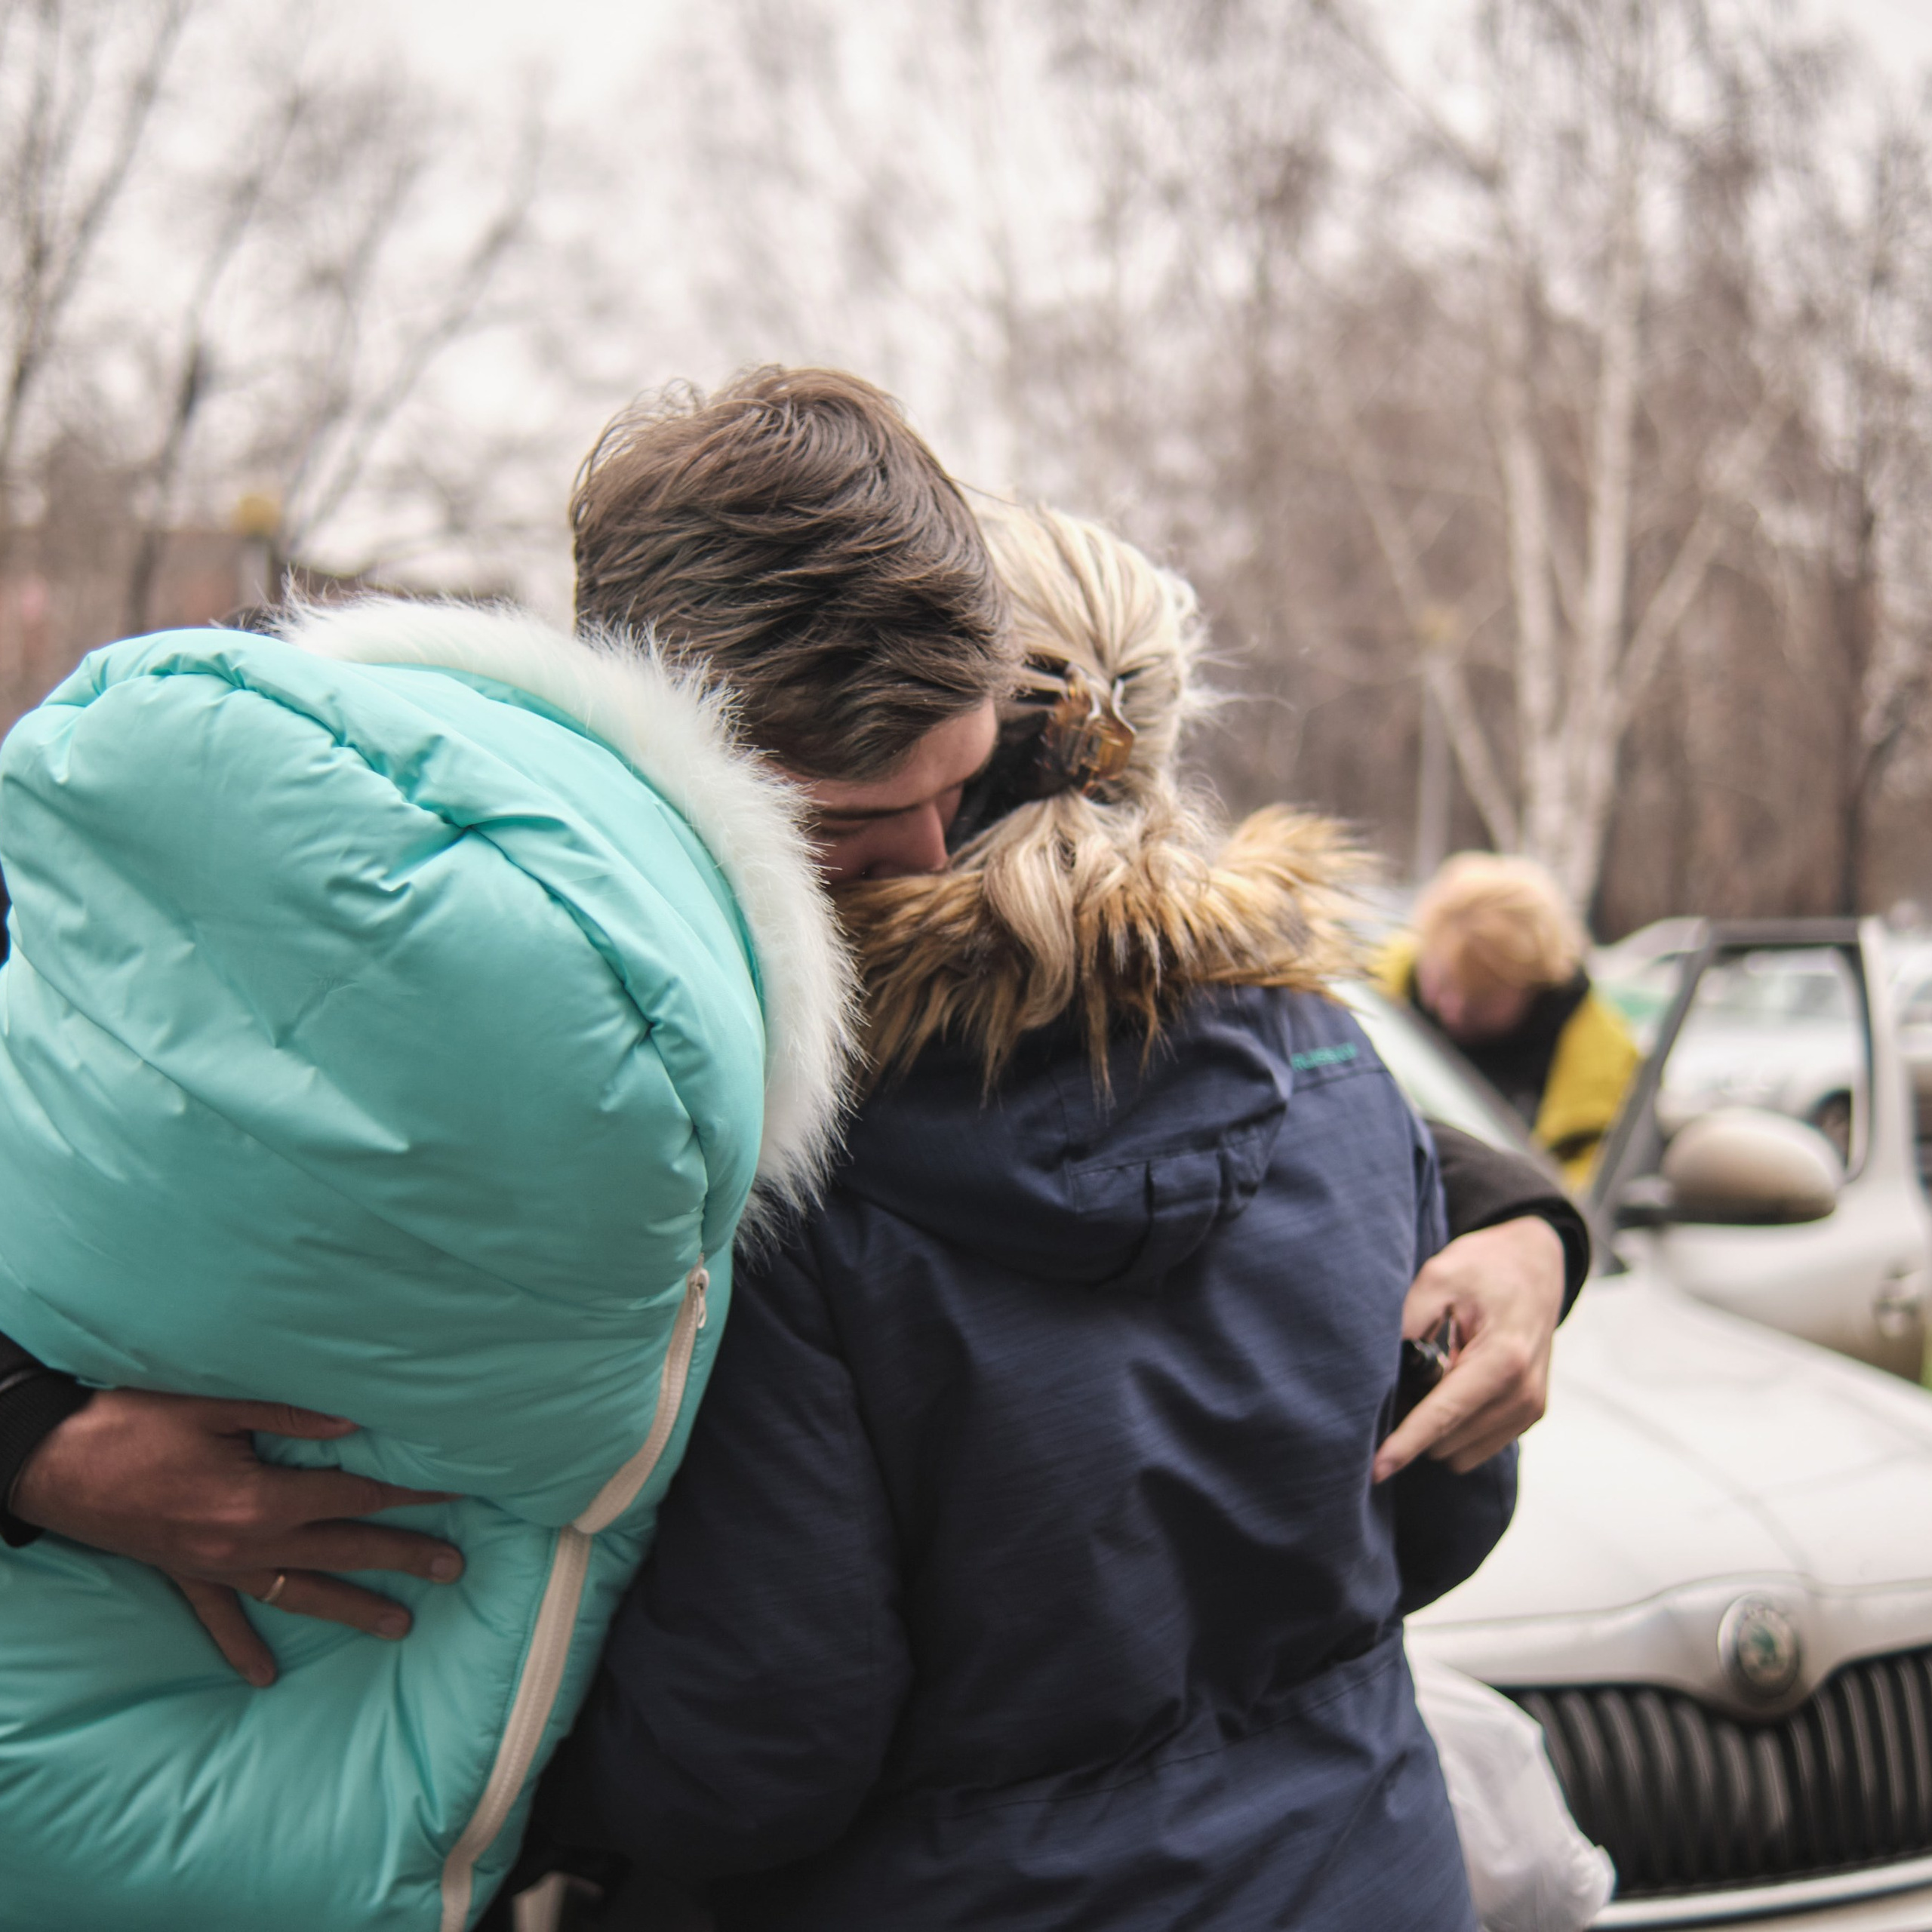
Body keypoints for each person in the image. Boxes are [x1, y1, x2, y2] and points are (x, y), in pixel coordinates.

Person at [0, 368, 1010, 1929]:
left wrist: (1448, 1212)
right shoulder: (167, 860)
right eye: (871, 814)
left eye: (970, 789)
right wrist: (34, 1444)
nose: (940, 860)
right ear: (713, 755)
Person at [517, 506, 1555, 1932]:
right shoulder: (1333, 1061)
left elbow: (761, 1743)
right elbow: (1446, 1507)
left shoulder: (793, 1169)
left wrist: (536, 1798)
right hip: (1367, 1878)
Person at [1377, 852, 1641, 1187]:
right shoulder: (1365, 996)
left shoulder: (1605, 1071)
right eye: (1440, 984)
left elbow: (1583, 1198)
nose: (1451, 1009)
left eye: (1480, 1000)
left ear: (1536, 987)